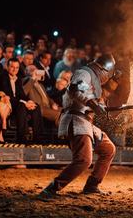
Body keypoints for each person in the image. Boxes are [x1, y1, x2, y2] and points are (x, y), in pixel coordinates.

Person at [41, 54, 122, 196]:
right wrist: (93, 104)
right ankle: (53, 187)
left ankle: (92, 186)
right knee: (84, 160)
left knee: (108, 149)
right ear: (103, 71)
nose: (107, 79)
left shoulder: (93, 79)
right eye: (109, 76)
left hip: (86, 123)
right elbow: (74, 90)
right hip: (75, 120)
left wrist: (114, 81)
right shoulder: (85, 73)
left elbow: (100, 95)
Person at [0, 58, 45, 145]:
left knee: (36, 106)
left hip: (16, 103)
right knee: (21, 106)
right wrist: (25, 103)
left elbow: (21, 94)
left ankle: (38, 136)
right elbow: (9, 96)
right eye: (12, 67)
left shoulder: (17, 78)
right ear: (7, 66)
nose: (15, 70)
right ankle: (22, 137)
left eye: (17, 68)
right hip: (7, 105)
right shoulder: (2, 77)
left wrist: (29, 101)